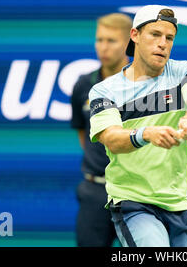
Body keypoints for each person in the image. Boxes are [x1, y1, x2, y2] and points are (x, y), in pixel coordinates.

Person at [88, 5, 187, 247]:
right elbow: (112, 138)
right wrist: (145, 134)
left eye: (169, 38)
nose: (163, 43)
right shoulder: (104, 91)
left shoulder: (184, 71)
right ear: (134, 35)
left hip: (178, 203)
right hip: (133, 202)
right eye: (155, 35)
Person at [71, 13, 132, 247]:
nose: (103, 47)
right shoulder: (83, 85)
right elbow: (84, 135)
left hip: (137, 194)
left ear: (129, 43)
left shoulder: (148, 86)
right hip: (95, 192)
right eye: (99, 40)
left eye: (111, 41)